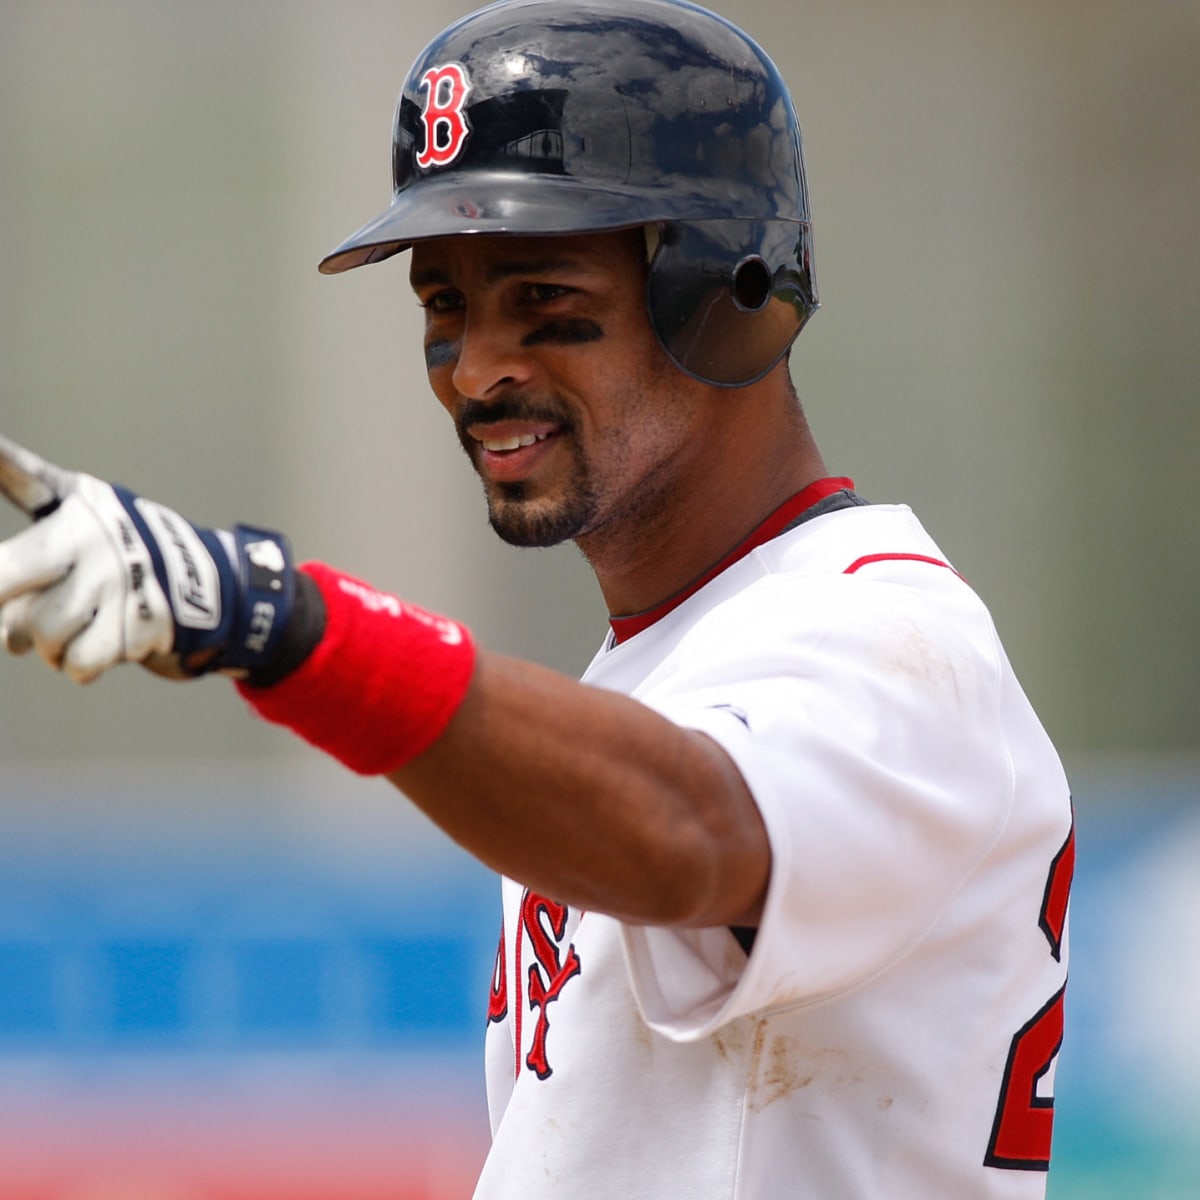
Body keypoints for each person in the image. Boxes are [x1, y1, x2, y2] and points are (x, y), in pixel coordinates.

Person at [0, 1, 1074, 1196]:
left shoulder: (888, 635)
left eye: (543, 299)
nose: (476, 369)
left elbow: (696, 837)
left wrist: (286, 626)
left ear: (731, 289)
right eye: (444, 305)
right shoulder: (658, 673)